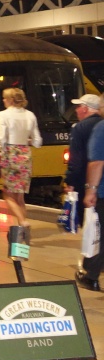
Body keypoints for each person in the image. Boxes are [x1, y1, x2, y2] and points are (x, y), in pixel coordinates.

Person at [0, 87, 42, 226]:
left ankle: (22, 221)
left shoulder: (3, 115)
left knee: (8, 195)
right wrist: (25, 140)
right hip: (25, 155)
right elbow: (37, 142)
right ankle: (23, 230)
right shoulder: (30, 115)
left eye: (5, 98)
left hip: (10, 155)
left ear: (10, 100)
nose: (3, 100)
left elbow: (2, 138)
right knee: (20, 196)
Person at [65, 95, 101, 229]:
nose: (76, 110)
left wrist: (70, 181)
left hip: (84, 182)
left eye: (78, 106)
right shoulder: (101, 124)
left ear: (85, 109)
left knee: (88, 224)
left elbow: (76, 159)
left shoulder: (80, 128)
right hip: (101, 183)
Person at [78, 118, 104, 292]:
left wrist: (90, 190)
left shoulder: (101, 128)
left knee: (99, 235)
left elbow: (96, 162)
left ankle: (91, 277)